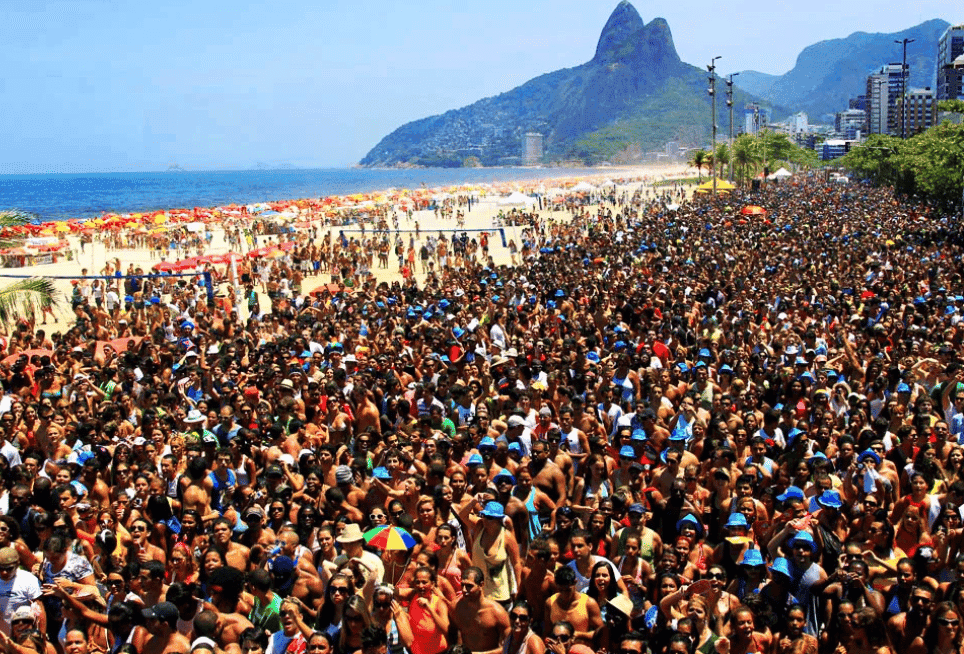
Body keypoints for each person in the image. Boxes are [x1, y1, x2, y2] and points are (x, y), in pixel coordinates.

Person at [451, 567, 510, 654]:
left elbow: (511, 646)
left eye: (469, 586)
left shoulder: (497, 612)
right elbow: (453, 636)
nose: (464, 590)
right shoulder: (456, 607)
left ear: (481, 585)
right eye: (462, 585)